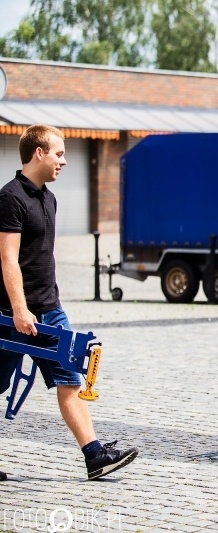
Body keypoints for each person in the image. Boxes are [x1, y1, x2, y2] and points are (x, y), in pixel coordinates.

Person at [0, 124, 138, 481]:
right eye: (59, 154)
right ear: (39, 153)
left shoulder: (49, 197)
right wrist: (18, 308)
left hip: (50, 310)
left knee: (70, 381)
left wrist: (50, 302)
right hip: (11, 314)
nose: (64, 161)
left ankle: (95, 456)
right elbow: (8, 259)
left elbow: (41, 257)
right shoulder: (10, 198)